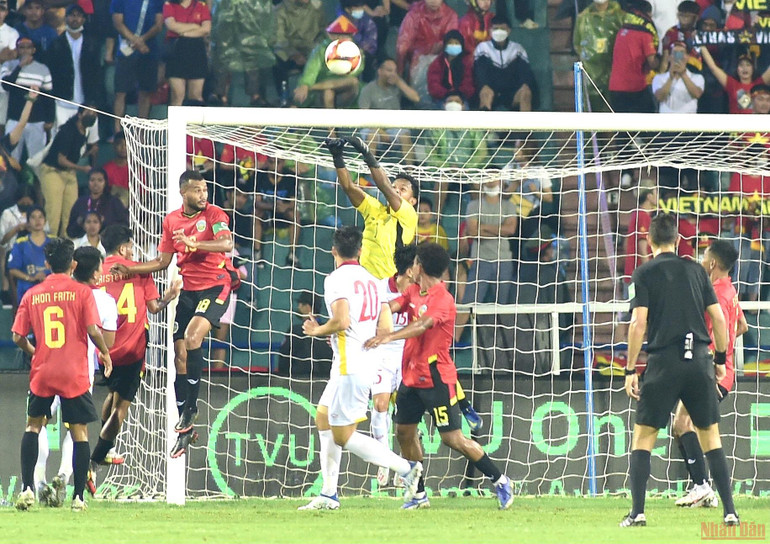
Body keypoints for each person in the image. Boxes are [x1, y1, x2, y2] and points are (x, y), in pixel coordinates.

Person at [364, 242, 513, 510]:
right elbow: (393, 305)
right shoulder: (413, 290)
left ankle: (500, 480)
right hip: (410, 377)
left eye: (415, 262)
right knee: (404, 433)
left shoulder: (443, 299)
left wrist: (388, 336)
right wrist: (374, 313)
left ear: (419, 266)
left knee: (452, 439)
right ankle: (419, 494)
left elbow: (422, 325)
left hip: (436, 379)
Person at [621, 213, 739, 527]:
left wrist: (630, 369)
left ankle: (637, 513)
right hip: (699, 360)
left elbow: (638, 323)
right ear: (677, 240)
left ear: (649, 240)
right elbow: (719, 319)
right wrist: (719, 359)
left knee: (644, 437)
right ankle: (730, 512)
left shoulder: (643, 273)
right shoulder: (697, 272)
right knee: (711, 438)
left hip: (663, 362)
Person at [109, 170, 237, 459]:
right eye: (197, 190)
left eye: (205, 189)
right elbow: (162, 261)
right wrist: (131, 269)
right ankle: (185, 428)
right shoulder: (171, 221)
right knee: (178, 354)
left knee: (193, 338)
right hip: (189, 291)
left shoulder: (216, 215)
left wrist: (196, 244)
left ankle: (190, 411)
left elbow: (226, 244)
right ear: (184, 193)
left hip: (216, 285)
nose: (203, 195)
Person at [297, 226, 423, 510]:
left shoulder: (335, 279)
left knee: (343, 436)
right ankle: (329, 493)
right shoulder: (372, 280)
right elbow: (386, 326)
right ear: (361, 251)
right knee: (323, 416)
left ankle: (406, 468)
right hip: (362, 361)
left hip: (349, 366)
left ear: (333, 251)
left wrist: (318, 330)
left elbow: (341, 321)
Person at [11, 237, 112, 512]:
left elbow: (17, 335)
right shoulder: (82, 293)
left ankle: (27, 489)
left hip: (43, 370)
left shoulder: (32, 294)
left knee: (33, 426)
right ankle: (78, 497)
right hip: (73, 371)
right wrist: (104, 352)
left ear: (46, 263)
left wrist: (35, 351)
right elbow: (93, 330)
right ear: (73, 264)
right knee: (79, 433)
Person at [90, 224, 181, 468]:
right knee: (121, 408)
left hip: (105, 350)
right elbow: (154, 307)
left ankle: (106, 447)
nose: (133, 251)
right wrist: (170, 296)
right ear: (123, 247)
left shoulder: (97, 273)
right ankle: (97, 457)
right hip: (133, 349)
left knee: (112, 394)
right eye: (131, 246)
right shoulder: (139, 270)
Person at [673, 239, 747, 508]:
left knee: (683, 425)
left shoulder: (713, 293)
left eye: (704, 256)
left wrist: (716, 355)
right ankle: (703, 489)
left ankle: (702, 486)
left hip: (712, 372)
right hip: (722, 371)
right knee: (683, 426)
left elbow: (725, 328)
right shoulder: (729, 289)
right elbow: (741, 325)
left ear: (713, 263)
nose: (701, 260)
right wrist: (726, 352)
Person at [324, 135, 418, 280]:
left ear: (412, 201)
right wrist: (337, 157)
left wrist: (367, 153)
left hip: (389, 284)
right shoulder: (375, 208)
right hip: (365, 282)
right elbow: (349, 187)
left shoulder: (409, 216)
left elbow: (385, 187)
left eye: (403, 189)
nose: (397, 190)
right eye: (394, 186)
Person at [370, 243, 416, 487]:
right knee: (380, 404)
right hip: (382, 351)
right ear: (409, 270)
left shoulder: (420, 292)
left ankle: (404, 463)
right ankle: (383, 458)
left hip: (408, 353)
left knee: (407, 412)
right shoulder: (380, 288)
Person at [454, 175, 517, 340]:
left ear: (501, 182)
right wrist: (498, 229)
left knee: (503, 304)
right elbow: (473, 232)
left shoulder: (508, 205)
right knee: (469, 302)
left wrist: (483, 227)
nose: (491, 182)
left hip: (503, 260)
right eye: (487, 179)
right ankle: (452, 342)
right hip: (480, 259)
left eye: (495, 178)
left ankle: (503, 343)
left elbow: (511, 230)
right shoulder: (474, 205)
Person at [38, 107, 99, 238]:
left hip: (69, 173)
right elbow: (61, 160)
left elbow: (74, 155)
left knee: (70, 212)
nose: (92, 115)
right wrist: (82, 169)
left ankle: (67, 246)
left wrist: (90, 152)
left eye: (95, 113)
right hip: (53, 171)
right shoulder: (68, 131)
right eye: (89, 112)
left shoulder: (84, 132)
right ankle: (50, 245)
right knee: (53, 212)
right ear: (79, 114)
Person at [45, 4, 105, 129]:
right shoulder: (56, 44)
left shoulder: (91, 44)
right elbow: (51, 73)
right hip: (62, 101)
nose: (75, 19)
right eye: (72, 15)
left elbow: (97, 74)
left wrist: (94, 101)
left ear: (83, 19)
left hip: (86, 101)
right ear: (66, 18)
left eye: (78, 16)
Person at [111, 0, 165, 132]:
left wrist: (142, 40)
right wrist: (137, 41)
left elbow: (159, 25)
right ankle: (118, 131)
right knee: (120, 92)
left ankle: (142, 131)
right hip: (126, 51)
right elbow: (118, 23)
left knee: (145, 91)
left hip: (149, 50)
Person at [209, 0, 274, 107]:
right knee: (222, 54)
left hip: (247, 25)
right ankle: (218, 93)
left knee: (251, 56)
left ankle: (255, 95)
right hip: (226, 23)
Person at [0, 37, 54, 162]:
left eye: (28, 47)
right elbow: (6, 85)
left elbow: (48, 96)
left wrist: (50, 119)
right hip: (14, 119)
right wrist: (19, 66)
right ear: (17, 50)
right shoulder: (8, 65)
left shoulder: (43, 69)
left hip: (37, 121)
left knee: (36, 159)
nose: (24, 50)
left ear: (33, 50)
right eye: (21, 47)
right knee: (10, 158)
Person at [293, 16, 363, 109]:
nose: (342, 38)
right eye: (338, 35)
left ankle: (313, 88)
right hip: (322, 86)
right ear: (331, 35)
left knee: (353, 82)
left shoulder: (355, 50)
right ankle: (330, 122)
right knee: (328, 92)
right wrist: (305, 84)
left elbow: (357, 70)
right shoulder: (321, 50)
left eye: (346, 35)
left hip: (345, 87)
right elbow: (311, 70)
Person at [357, 58, 419, 163]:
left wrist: (399, 82)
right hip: (374, 128)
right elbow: (364, 116)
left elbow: (416, 98)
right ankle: (370, 171)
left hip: (393, 129)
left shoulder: (397, 85)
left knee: (405, 135)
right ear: (380, 71)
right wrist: (380, 131)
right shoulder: (368, 89)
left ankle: (410, 173)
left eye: (395, 71)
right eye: (389, 70)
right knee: (372, 136)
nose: (393, 74)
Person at [474, 15, 535, 111]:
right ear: (490, 31)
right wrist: (485, 86)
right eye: (495, 29)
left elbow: (525, 74)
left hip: (511, 92)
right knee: (485, 92)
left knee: (526, 92)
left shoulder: (517, 49)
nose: (499, 31)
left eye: (502, 28)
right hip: (491, 91)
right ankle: (484, 125)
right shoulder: (483, 48)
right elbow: (480, 74)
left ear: (509, 30)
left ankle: (526, 125)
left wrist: (524, 85)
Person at [608, 0, 659, 113]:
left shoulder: (622, 31)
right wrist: (664, 58)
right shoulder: (644, 34)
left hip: (615, 86)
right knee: (646, 125)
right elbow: (652, 63)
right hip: (635, 87)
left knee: (622, 128)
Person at [573, 0, 624, 112]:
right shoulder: (583, 18)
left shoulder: (620, 16)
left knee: (612, 111)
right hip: (591, 73)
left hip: (614, 72)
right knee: (592, 110)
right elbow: (577, 44)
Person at [395, 0, 458, 86]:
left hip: (441, 57)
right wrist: (399, 72)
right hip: (417, 56)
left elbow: (451, 41)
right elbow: (403, 42)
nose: (433, 1)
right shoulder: (414, 14)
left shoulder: (451, 16)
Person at [272, 0, 325, 101]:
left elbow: (323, 31)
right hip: (289, 50)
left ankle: (315, 98)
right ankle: (284, 97)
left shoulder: (316, 8)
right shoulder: (280, 10)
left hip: (312, 49)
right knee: (277, 59)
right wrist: (294, 54)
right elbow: (279, 39)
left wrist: (316, 50)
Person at [162, 0, 211, 107]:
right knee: (178, 95)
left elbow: (206, 29)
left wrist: (183, 33)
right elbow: (171, 25)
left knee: (196, 96)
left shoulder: (201, 5)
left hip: (196, 52)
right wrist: (195, 26)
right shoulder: (169, 4)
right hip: (176, 52)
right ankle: (175, 123)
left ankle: (194, 123)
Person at [253, 157, 300, 267]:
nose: (274, 165)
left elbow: (293, 202)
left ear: (283, 162)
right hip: (267, 210)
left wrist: (285, 206)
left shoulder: (291, 176)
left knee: (296, 215)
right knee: (256, 214)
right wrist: (272, 206)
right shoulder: (260, 175)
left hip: (283, 211)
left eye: (278, 162)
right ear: (267, 162)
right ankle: (257, 253)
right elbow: (257, 202)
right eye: (271, 162)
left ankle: (292, 255)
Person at [277, 290, 333, 377]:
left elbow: (284, 358)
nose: (298, 307)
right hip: (325, 380)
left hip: (298, 380)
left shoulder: (295, 331)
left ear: (308, 307)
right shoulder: (329, 331)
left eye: (300, 304)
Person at [700, 47, 770, 114]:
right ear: (737, 69)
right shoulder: (731, 84)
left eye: (748, 65)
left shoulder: (758, 84)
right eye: (741, 65)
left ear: (753, 69)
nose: (744, 68)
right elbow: (713, 68)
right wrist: (701, 44)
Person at [66, 168, 129, 239]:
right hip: (83, 243)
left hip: (107, 243)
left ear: (105, 182)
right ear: (88, 182)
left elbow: (124, 226)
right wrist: (78, 223)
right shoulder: (80, 202)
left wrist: (105, 223)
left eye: (100, 180)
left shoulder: (114, 202)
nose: (96, 184)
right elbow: (70, 232)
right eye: (92, 180)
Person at [7, 205, 50, 306]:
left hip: (50, 293)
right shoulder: (20, 243)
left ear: (45, 220)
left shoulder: (54, 242)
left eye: (40, 217)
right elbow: (12, 270)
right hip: (27, 293)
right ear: (28, 222)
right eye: (33, 217)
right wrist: (31, 278)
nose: (37, 220)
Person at [652, 41, 704, 113]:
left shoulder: (697, 77)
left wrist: (683, 74)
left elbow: (697, 94)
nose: (678, 56)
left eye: (682, 52)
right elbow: (659, 97)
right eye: (675, 53)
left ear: (688, 57)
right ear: (669, 57)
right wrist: (670, 78)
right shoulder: (659, 78)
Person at [427, 29, 475, 106]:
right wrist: (447, 95)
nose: (453, 46)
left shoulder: (466, 63)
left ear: (462, 46)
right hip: (442, 98)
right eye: (450, 43)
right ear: (445, 46)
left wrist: (458, 95)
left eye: (456, 43)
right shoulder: (437, 63)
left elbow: (469, 84)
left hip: (461, 98)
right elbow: (433, 85)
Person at [0, 0, 20, 135]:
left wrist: (5, 56)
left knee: (1, 126)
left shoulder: (12, 33)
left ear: (6, 12)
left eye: (1, 9)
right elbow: (5, 55)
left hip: (3, 88)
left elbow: (11, 56)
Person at [101, 132, 129, 206]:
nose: (123, 147)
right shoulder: (107, 169)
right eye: (120, 144)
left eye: (126, 144)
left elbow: (143, 195)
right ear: (114, 146)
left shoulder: (137, 170)